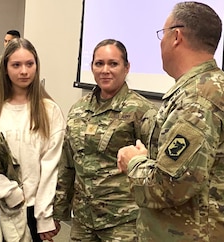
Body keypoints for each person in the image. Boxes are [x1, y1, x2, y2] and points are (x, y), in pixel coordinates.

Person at [117, 2, 224, 241]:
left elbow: (167, 187)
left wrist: (134, 162)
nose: (160, 42)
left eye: (162, 33)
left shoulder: (199, 99)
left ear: (176, 36)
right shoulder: (205, 88)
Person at [53, 39, 157, 241]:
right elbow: (67, 164)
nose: (105, 70)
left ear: (126, 68)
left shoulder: (142, 111)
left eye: (113, 63)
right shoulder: (78, 109)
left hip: (123, 220)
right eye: (99, 63)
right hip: (83, 218)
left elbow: (156, 169)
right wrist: (58, 211)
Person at [0, 38, 65, 241]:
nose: (24, 71)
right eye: (16, 65)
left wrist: (44, 215)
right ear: (6, 69)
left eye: (29, 64)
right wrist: (8, 191)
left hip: (30, 207)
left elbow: (51, 166)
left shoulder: (49, 110)